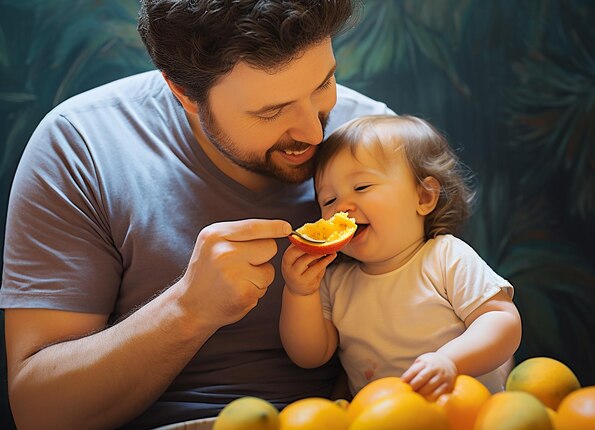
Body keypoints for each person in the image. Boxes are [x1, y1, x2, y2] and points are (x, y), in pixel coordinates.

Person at [0, 1, 395, 428]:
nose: (315, 133)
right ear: (183, 92)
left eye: (324, 83)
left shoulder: (383, 142)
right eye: (271, 112)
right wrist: (187, 310)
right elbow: (38, 413)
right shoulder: (81, 148)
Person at [280, 115, 522, 400]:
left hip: (464, 411)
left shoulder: (445, 257)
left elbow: (502, 321)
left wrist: (450, 361)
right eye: (328, 200)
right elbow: (310, 355)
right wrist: (299, 292)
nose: (341, 207)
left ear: (423, 197)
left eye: (362, 187)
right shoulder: (336, 281)